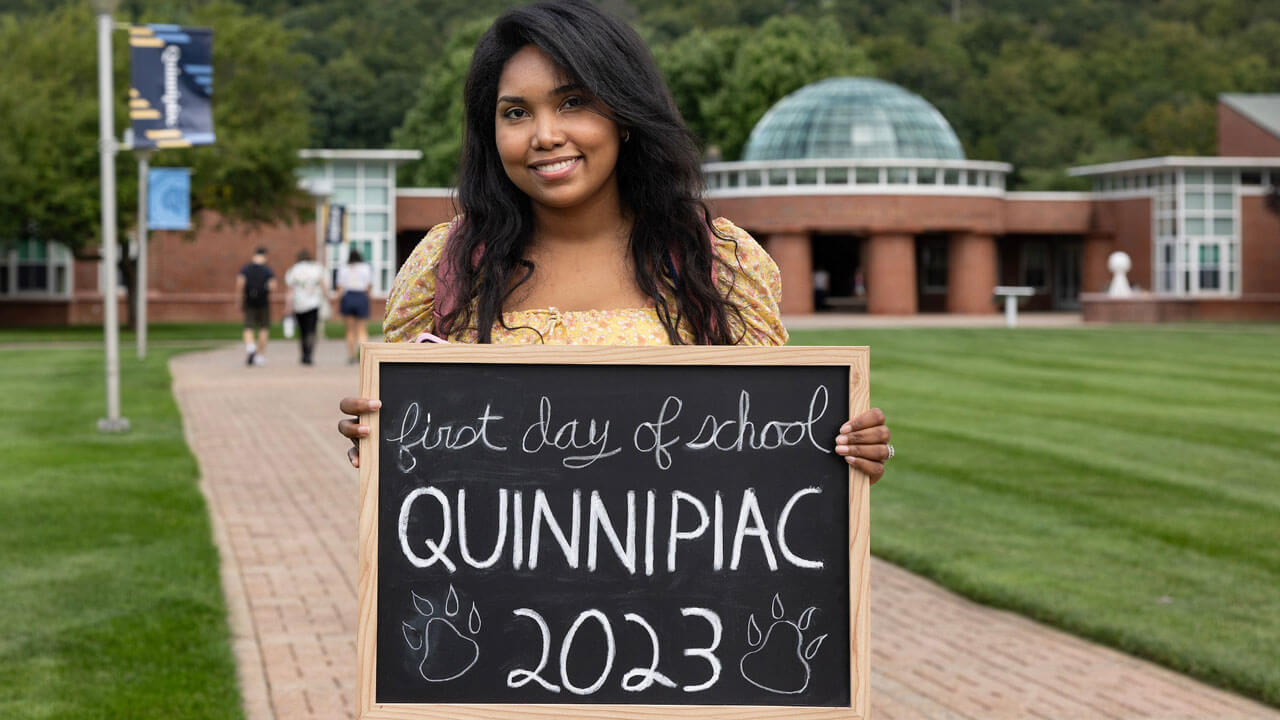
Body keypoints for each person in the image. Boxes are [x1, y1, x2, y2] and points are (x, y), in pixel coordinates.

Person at [338, 0, 891, 479]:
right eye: (516, 113)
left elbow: (777, 449)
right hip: (492, 597)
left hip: (678, 597)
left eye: (573, 102)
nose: (546, 134)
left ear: (623, 114)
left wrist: (846, 450)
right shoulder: (451, 265)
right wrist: (380, 432)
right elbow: (416, 461)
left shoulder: (718, 263)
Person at [284, 249, 326, 365]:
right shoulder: (316, 269)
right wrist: (327, 298)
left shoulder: (294, 270)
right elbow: (323, 285)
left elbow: (290, 290)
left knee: (302, 331)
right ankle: (309, 354)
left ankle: (303, 354)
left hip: (299, 304)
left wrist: (288, 306)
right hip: (313, 303)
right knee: (311, 330)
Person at [237, 246, 275, 366]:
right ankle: (260, 355)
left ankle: (250, 346)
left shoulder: (246, 269)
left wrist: (239, 299)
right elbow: (273, 286)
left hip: (249, 301)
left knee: (248, 326)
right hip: (263, 302)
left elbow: (240, 284)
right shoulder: (267, 270)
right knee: (264, 328)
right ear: (265, 256)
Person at [336, 248, 373, 364]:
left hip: (348, 296)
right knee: (362, 329)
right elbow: (368, 287)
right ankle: (363, 355)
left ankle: (351, 355)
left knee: (350, 330)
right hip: (361, 296)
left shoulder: (344, 269)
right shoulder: (366, 268)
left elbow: (340, 288)